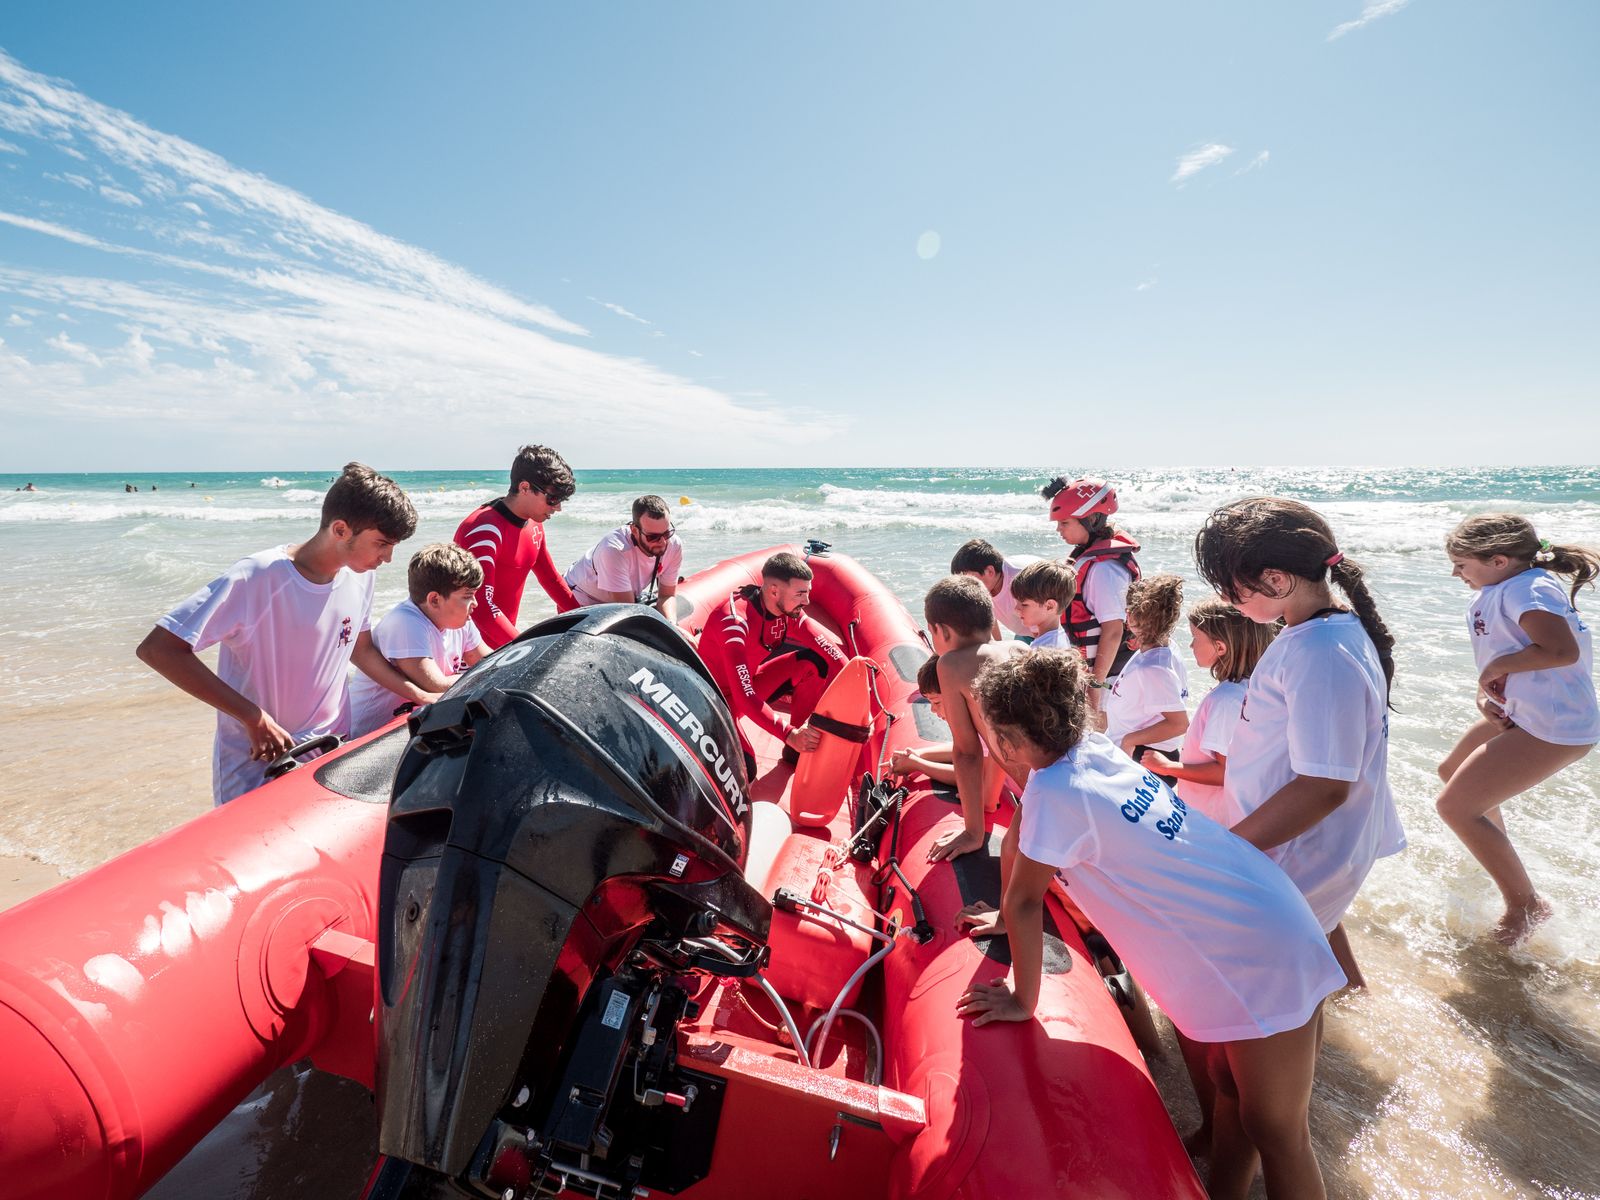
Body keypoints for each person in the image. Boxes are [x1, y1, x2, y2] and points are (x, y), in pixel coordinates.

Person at [957, 650, 1344, 1200]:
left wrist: (1023, 997)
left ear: (1010, 742)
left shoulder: (1058, 793)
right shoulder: (1089, 753)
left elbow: (1025, 901)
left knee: (1280, 1133)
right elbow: (1024, 828)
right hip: (1260, 911)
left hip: (1255, 953)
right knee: (1230, 1086)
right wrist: (1005, 902)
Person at [1194, 496, 1406, 989]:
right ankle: (1350, 996)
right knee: (1310, 957)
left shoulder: (1320, 652)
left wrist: (1230, 852)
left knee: (1267, 986)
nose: (1228, 600)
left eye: (1231, 588)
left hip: (1295, 853)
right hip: (1291, 847)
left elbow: (1324, 786)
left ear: (1276, 580)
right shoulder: (1317, 634)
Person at [136, 463, 425, 805]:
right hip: (260, 762)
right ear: (341, 529)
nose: (388, 558)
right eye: (382, 544)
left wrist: (419, 693)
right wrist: (251, 716)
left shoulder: (360, 575)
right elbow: (159, 649)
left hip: (331, 753)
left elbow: (360, 650)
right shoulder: (257, 577)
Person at [1435, 514, 1599, 944]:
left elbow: (1559, 650)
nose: (1455, 573)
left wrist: (1496, 668)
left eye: (1461, 563)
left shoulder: (1528, 588)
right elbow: (1509, 656)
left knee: (1455, 807)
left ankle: (1526, 905)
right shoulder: (1503, 588)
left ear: (1499, 560)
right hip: (1527, 713)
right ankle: (1495, 852)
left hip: (1555, 724)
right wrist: (1487, 692)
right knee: (1452, 774)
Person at [696, 552, 847, 772]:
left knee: (815, 663)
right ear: (774, 590)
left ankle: (796, 751)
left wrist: (855, 671)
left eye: (808, 593)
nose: (806, 601)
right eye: (800, 594)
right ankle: (795, 740)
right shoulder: (734, 623)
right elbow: (744, 695)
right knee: (747, 771)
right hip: (715, 704)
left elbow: (823, 644)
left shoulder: (785, 609)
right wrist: (789, 734)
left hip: (747, 687)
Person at [1141, 597, 1278, 826]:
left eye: (1195, 638)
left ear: (1220, 647)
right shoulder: (1247, 688)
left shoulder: (1226, 701)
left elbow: (1225, 772)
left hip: (1213, 818)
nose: (1190, 645)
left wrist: (1166, 766)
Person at [922, 576, 1030, 862]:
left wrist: (973, 832)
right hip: (1069, 769)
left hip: (1044, 787)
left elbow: (967, 753)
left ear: (941, 631)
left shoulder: (951, 664)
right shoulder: (1019, 649)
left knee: (1013, 858)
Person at [348, 543, 488, 737]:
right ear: (435, 600)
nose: (475, 603)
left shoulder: (460, 621)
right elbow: (436, 686)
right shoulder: (404, 623)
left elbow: (490, 663)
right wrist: (486, 675)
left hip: (408, 727)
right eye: (468, 596)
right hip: (366, 737)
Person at [453, 445, 579, 650]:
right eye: (553, 499)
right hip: (469, 653)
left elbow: (551, 580)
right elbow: (481, 608)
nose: (558, 508)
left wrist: (589, 622)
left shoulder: (535, 525)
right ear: (524, 487)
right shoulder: (483, 530)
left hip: (504, 645)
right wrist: (524, 650)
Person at [1040, 476, 1142, 699]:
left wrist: (1095, 687)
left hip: (1108, 679)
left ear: (1092, 519)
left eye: (1065, 522)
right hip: (1095, 674)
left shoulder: (1105, 570)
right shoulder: (1090, 559)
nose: (1058, 529)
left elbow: (1113, 631)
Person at [1102, 574, 1189, 783]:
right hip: (1140, 751)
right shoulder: (1163, 647)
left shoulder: (1153, 669)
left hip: (1145, 756)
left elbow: (1179, 724)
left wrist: (1129, 741)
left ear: (1131, 616)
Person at [564, 494, 684, 616]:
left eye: (667, 533)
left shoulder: (674, 545)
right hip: (579, 599)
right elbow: (628, 611)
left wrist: (672, 624)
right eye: (653, 537)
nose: (663, 542)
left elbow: (667, 595)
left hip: (622, 599)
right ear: (635, 531)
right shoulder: (614, 550)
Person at [950, 539, 1041, 639]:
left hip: (1051, 627)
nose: (965, 585)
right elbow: (989, 614)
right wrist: (998, 646)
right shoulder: (987, 584)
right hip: (1025, 630)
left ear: (990, 571)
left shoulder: (1021, 580)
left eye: (967, 578)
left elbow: (1045, 625)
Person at [1007, 559, 1076, 651]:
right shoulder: (1056, 637)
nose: (1016, 609)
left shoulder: (1046, 649)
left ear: (1049, 606)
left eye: (1024, 604)